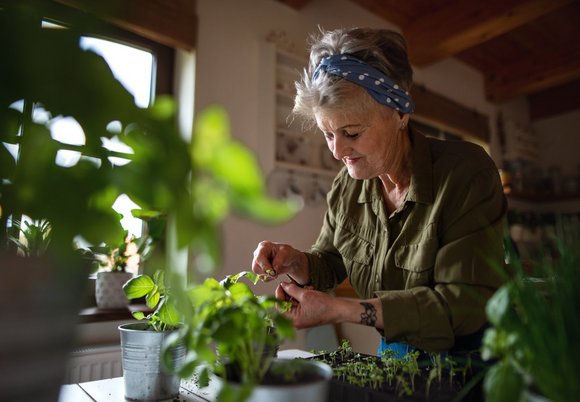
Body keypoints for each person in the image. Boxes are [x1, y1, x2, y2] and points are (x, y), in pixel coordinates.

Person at [252, 27, 507, 359]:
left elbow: (464, 304)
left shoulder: (466, 173)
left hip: (470, 363)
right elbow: (330, 263)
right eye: (328, 134)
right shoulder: (347, 186)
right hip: (395, 352)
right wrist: (295, 261)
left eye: (352, 133)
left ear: (400, 113)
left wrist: (340, 309)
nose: (338, 151)